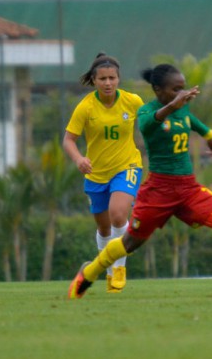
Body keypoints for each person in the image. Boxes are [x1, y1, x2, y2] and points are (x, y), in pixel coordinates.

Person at [68, 63, 212, 298]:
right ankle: (88, 274)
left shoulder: (181, 108)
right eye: (175, 89)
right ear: (158, 90)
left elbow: (191, 120)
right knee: (129, 242)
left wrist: (210, 135)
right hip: (158, 191)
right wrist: (173, 105)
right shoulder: (146, 111)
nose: (180, 93)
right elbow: (149, 124)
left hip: (188, 189)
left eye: (182, 88)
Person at [62, 53, 143, 294]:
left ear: (119, 79)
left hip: (127, 166)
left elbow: (152, 120)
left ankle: (119, 269)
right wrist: (79, 159)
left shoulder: (132, 101)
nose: (108, 83)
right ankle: (108, 271)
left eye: (112, 78)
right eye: (103, 79)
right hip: (96, 174)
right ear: (94, 80)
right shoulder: (86, 107)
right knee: (104, 228)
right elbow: (68, 140)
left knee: (118, 215)